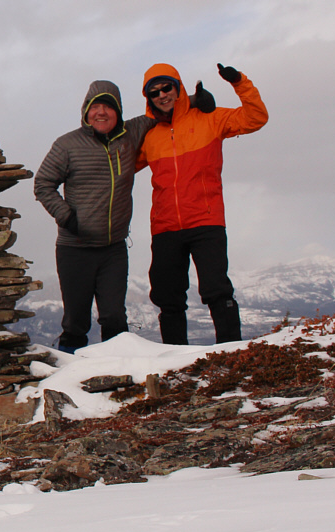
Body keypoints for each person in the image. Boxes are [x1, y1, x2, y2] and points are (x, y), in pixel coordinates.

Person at [35, 81, 215, 353]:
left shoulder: (131, 132)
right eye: (95, 107)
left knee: (114, 318)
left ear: (118, 111)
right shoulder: (67, 144)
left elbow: (161, 110)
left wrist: (194, 100)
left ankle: (116, 377)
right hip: (75, 249)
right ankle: (67, 378)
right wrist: (67, 217)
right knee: (76, 321)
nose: (101, 112)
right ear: (86, 111)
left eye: (108, 106)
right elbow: (43, 184)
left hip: (114, 249)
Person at [138, 63, 268, 345]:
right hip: (165, 226)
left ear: (178, 87)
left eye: (167, 87)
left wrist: (238, 81)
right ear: (148, 98)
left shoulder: (210, 118)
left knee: (216, 290)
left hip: (206, 221)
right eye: (154, 92)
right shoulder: (148, 134)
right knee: (167, 297)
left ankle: (231, 354)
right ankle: (173, 363)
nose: (162, 95)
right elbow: (118, 165)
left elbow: (256, 118)